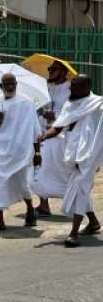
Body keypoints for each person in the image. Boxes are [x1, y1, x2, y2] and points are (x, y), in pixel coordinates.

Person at [39, 75, 103, 247]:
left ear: (87, 87)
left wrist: (96, 155)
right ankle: (94, 222)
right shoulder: (69, 104)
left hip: (90, 155)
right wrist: (44, 136)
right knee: (78, 187)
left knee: (80, 188)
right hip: (71, 154)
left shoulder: (98, 104)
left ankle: (73, 233)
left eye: (75, 86)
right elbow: (59, 126)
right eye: (71, 85)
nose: (70, 89)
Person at [0, 73, 41, 231]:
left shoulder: (26, 102)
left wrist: (37, 152)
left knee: (22, 184)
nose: (10, 87)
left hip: (20, 151)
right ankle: (0, 220)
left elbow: (35, 129)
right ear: (1, 86)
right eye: (7, 84)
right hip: (1, 150)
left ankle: (30, 209)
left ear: (16, 84)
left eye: (13, 84)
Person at [31, 61, 72, 216]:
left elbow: (74, 110)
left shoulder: (71, 89)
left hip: (62, 136)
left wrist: (56, 116)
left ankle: (76, 204)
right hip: (45, 135)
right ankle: (43, 204)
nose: (50, 72)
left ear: (64, 71)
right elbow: (40, 106)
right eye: (49, 69)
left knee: (64, 172)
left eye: (53, 69)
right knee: (40, 169)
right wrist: (42, 112)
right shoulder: (47, 87)